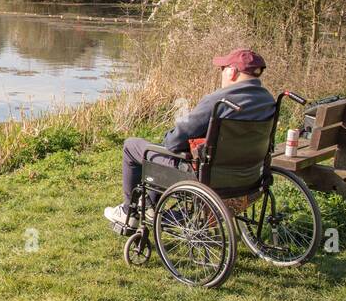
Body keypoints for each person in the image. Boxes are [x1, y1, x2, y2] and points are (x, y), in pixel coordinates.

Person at [104, 48, 275, 230]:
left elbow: (174, 142)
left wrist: (172, 136)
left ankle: (128, 211)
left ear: (232, 72)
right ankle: (149, 206)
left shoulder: (218, 101)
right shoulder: (268, 101)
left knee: (132, 146)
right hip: (249, 177)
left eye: (223, 69)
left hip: (205, 178)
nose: (222, 74)